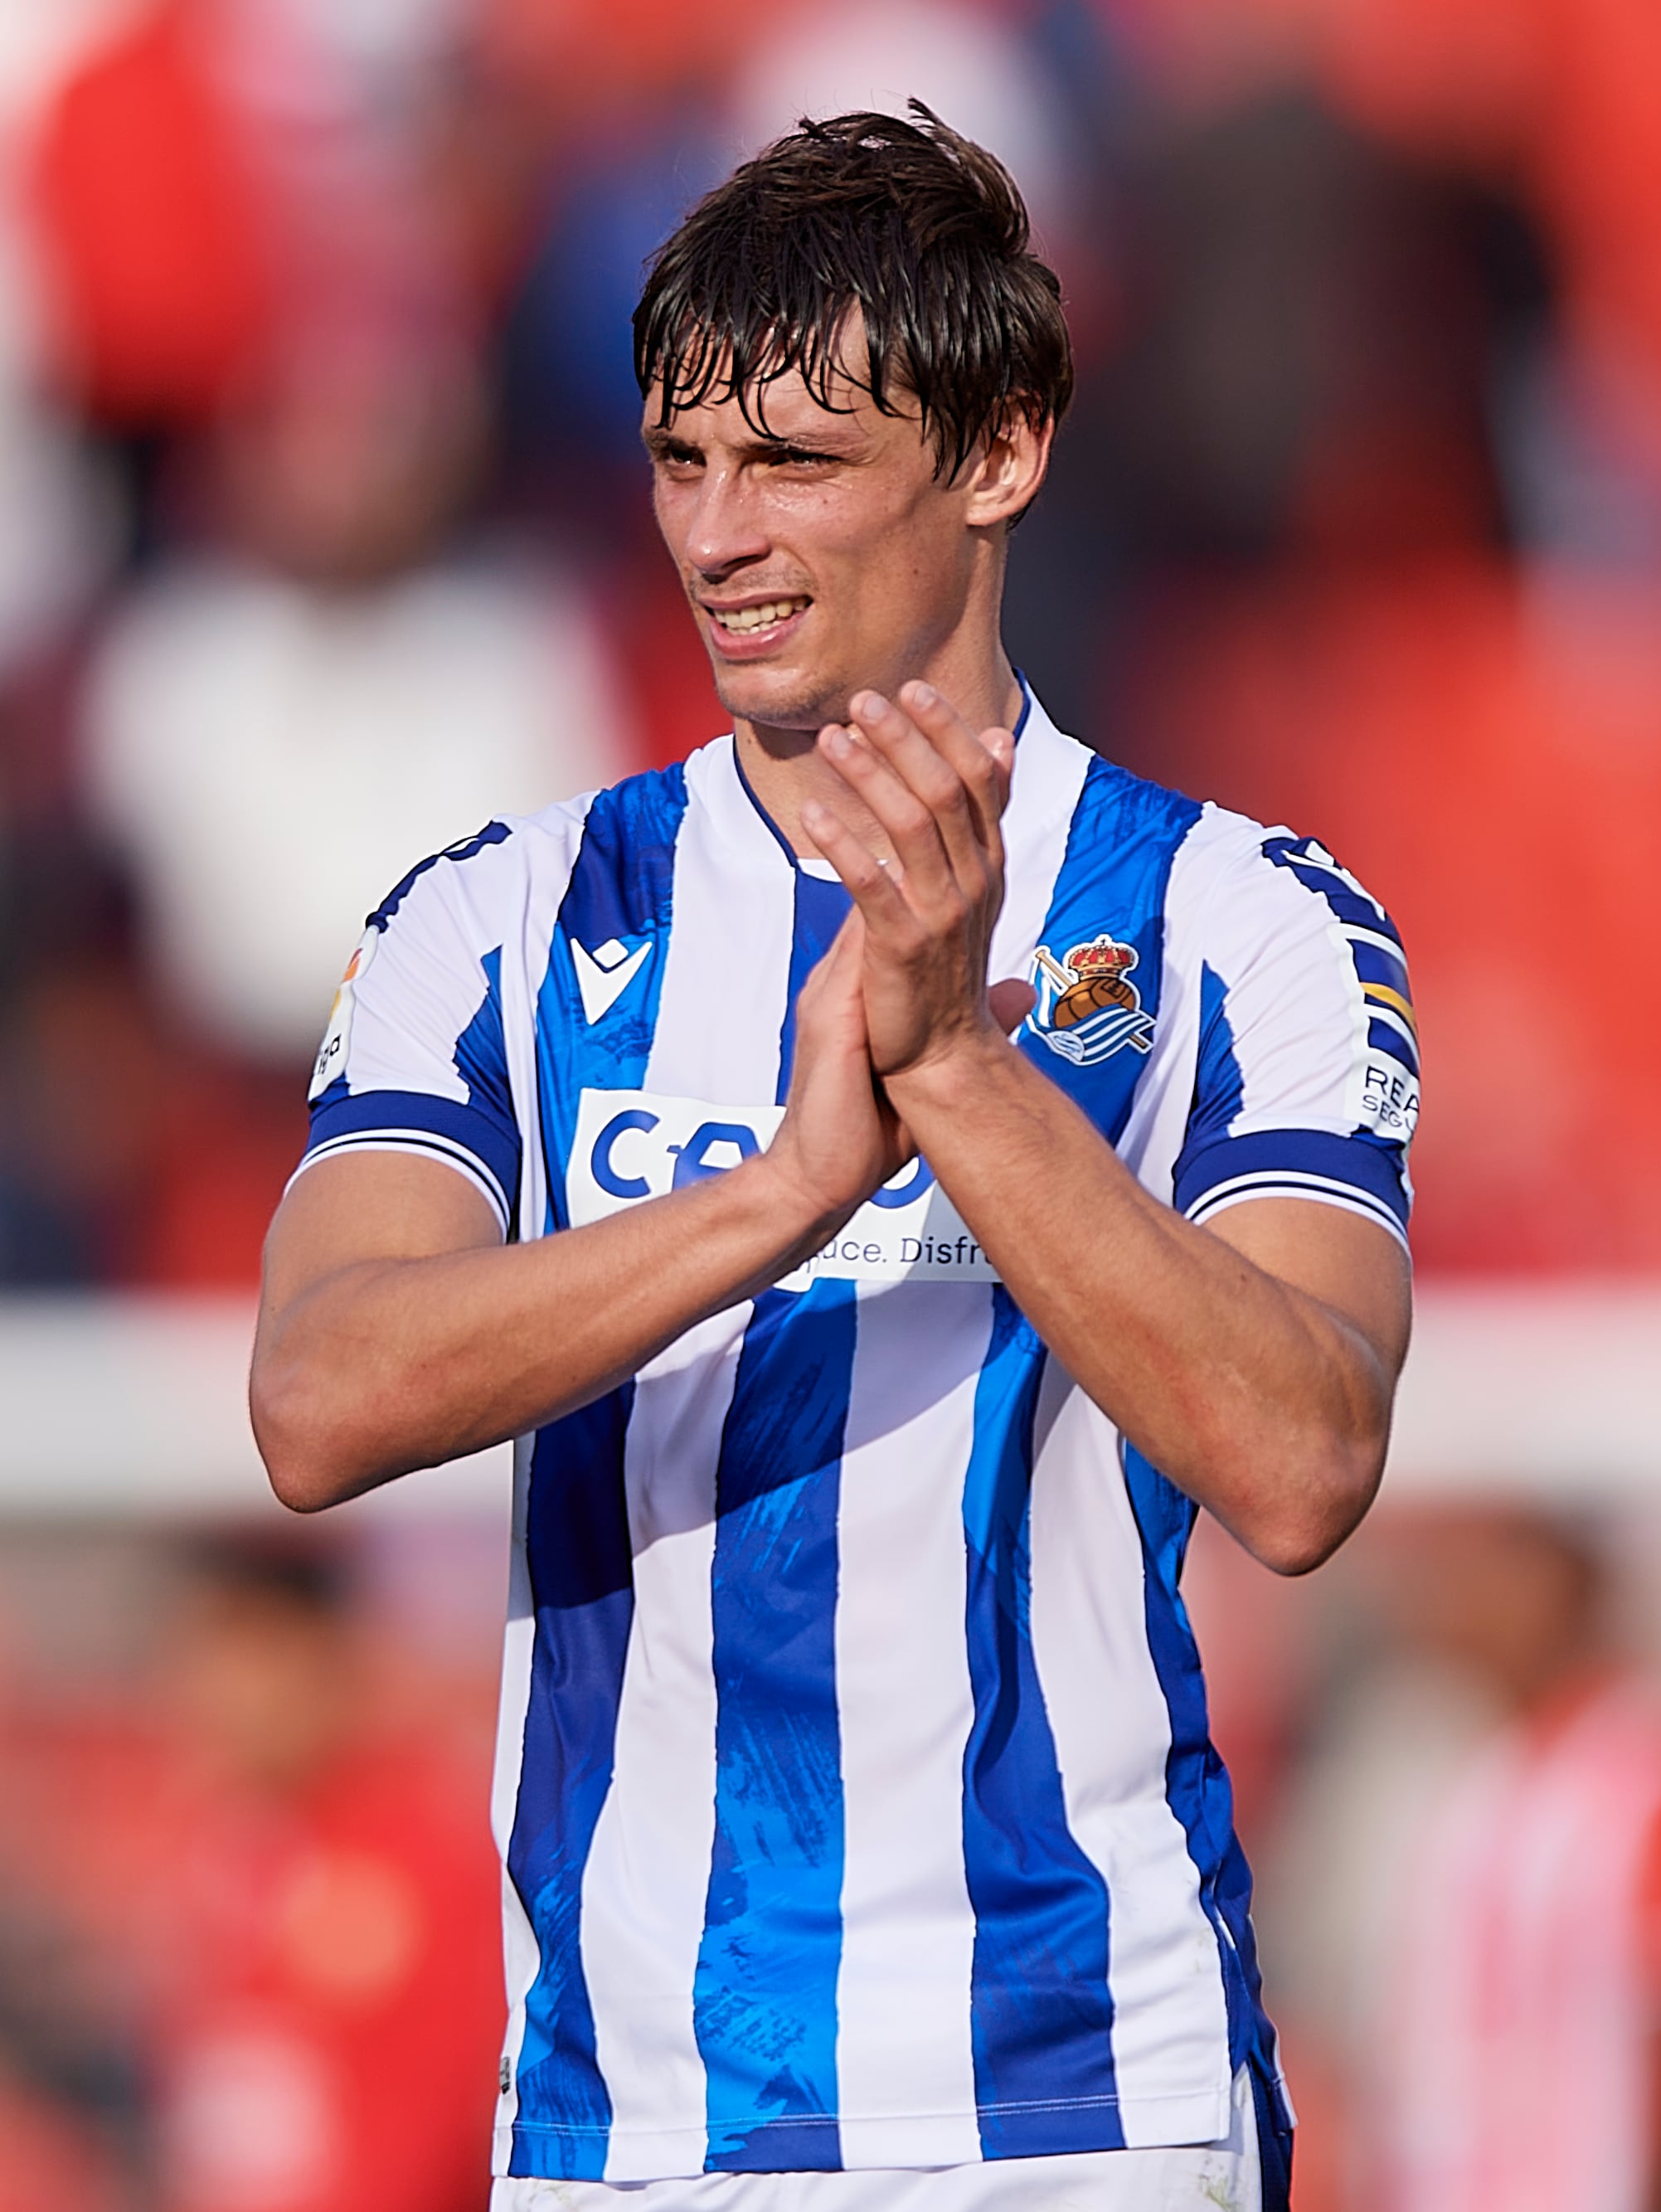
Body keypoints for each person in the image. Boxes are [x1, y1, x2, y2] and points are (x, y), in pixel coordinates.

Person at [246, 109, 1420, 2209]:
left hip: (1079, 2099)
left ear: (1000, 451)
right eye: (681, 463)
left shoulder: (1243, 917)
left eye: (793, 462)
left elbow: (1303, 1457)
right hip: (636, 2122)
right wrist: (774, 1195)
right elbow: (317, 1398)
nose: (715, 536)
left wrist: (953, 1073)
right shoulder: (500, 917)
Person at [1372, 1506, 1661, 2212]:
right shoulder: (1483, 1783)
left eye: (1496, 1575)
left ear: (1568, 1587)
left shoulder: (1659, 1768)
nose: (1468, 1603)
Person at [148, 1535, 504, 2212]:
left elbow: (453, 2117)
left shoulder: (422, 1852)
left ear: (319, 1653)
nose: (214, 1689)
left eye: (245, 1649)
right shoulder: (213, 1850)